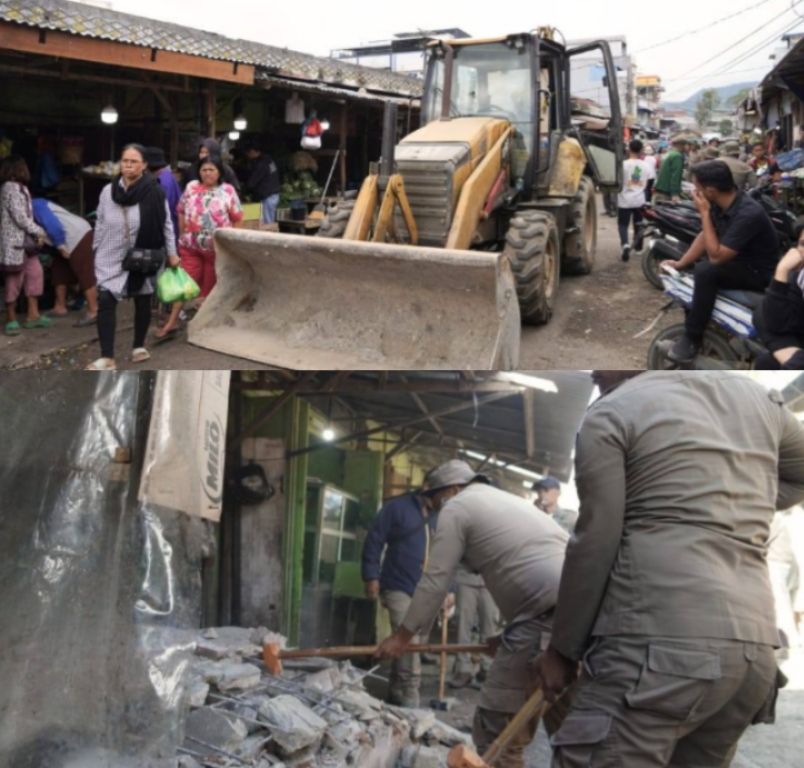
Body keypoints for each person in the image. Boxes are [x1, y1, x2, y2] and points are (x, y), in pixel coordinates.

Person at [535, 370, 804, 767]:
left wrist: (562, 649)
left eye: (598, 369)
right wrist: (730, 502)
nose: (592, 374)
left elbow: (594, 540)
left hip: (658, 652)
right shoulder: (758, 400)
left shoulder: (610, 413)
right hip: (752, 655)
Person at [376, 459, 568, 768]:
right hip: (582, 616)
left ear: (452, 489)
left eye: (436, 500)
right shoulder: (508, 502)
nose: (436, 509)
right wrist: (506, 636)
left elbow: (435, 578)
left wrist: (402, 636)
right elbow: (529, 570)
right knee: (576, 737)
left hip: (543, 620)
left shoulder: (458, 506)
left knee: (498, 737)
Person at [661, 160, 778, 364]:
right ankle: (700, 327)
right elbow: (704, 236)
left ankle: (692, 338)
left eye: (697, 188)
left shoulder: (748, 213)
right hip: (737, 265)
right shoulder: (721, 203)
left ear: (711, 190)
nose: (694, 192)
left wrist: (704, 213)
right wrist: (680, 263)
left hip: (757, 273)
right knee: (696, 271)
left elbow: (716, 257)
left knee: (706, 270)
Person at [88, 143, 178, 370]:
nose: (128, 165)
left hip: (143, 252)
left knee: (143, 298)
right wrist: (95, 249)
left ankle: (138, 345)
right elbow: (99, 220)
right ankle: (107, 357)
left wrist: (172, 254)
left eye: (134, 161)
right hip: (111, 252)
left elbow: (166, 224)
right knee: (106, 300)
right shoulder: (108, 191)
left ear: (144, 165)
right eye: (125, 160)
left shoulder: (155, 192)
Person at [361, 488, 436, 708]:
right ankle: (410, 691)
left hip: (427, 589)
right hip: (397, 584)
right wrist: (371, 576)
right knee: (409, 639)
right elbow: (374, 540)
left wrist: (449, 588)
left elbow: (449, 553)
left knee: (410, 640)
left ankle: (395, 688)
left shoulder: (442, 515)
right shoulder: (397, 508)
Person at [155, 156, 243, 339]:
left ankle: (205, 326)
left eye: (212, 169)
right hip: (190, 247)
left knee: (209, 290)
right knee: (184, 286)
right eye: (204, 169)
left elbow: (236, 218)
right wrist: (181, 237)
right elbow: (180, 211)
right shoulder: (191, 187)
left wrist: (234, 247)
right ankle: (172, 322)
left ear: (220, 172)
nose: (207, 173)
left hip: (216, 251)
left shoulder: (227, 190)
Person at [0, 156, 52, 336]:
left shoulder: (19, 188)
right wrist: (39, 231)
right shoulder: (10, 188)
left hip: (25, 243)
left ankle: (33, 315)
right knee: (14, 279)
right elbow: (20, 217)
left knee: (35, 274)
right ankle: (11, 318)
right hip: (16, 242)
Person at [31, 198, 97, 327]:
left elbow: (52, 225)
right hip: (63, 239)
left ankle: (94, 310)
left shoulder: (35, 205)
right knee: (59, 271)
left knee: (84, 272)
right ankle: (60, 306)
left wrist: (60, 244)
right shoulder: (27, 209)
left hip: (77, 235)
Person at [754, 224, 804, 370]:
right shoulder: (799, 276)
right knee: (765, 363)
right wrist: (782, 271)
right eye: (802, 244)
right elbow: (771, 319)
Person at [449, 563, 500, 689]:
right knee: (462, 626)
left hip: (491, 580)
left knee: (490, 628)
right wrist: (450, 588)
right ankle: (463, 670)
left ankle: (487, 670)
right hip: (465, 578)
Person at [617, 139, 649, 262]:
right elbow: (649, 183)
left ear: (629, 149)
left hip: (624, 199)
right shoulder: (646, 165)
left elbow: (618, 181)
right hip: (639, 200)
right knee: (638, 224)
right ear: (641, 150)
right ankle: (638, 248)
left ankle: (625, 244)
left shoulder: (623, 165)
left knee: (623, 224)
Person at [144, 146, 181, 245]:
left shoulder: (161, 182)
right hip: (172, 229)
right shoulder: (168, 176)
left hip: (164, 233)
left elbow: (161, 211)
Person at [244, 144, 281, 224]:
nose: (248, 156)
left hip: (268, 196)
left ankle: (269, 236)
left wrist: (246, 190)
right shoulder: (269, 160)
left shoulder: (261, 164)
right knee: (269, 221)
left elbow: (252, 182)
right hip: (273, 195)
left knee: (267, 223)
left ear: (253, 151)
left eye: (248, 153)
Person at [653, 137, 686, 203]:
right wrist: (674, 193)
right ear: (681, 145)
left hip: (660, 189)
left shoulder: (669, 153)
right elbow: (675, 175)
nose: (687, 147)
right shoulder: (677, 156)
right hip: (666, 191)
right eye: (686, 145)